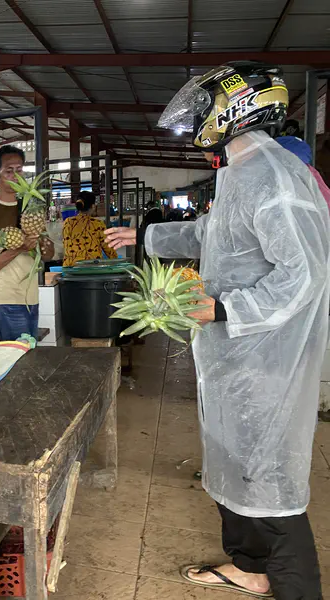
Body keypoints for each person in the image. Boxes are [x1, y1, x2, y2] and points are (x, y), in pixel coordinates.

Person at [106, 61, 329, 600]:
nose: (199, 120)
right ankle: (249, 569)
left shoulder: (275, 178)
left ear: (234, 111)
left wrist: (226, 309)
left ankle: (298, 589)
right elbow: (213, 233)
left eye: (205, 109)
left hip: (263, 355)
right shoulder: (242, 171)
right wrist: (143, 236)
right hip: (234, 357)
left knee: (271, 485)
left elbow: (305, 275)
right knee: (234, 466)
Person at [0, 145, 55, 341]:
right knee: (17, 359)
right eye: (8, 171)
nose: (16, 175)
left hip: (31, 298)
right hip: (6, 300)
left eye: (19, 170)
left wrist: (47, 247)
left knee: (28, 355)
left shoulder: (31, 207)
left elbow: (47, 256)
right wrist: (18, 249)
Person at [61, 190, 117, 266]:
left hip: (70, 268)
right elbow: (108, 248)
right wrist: (116, 262)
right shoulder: (98, 224)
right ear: (93, 206)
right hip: (92, 268)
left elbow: (66, 243)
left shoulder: (68, 222)